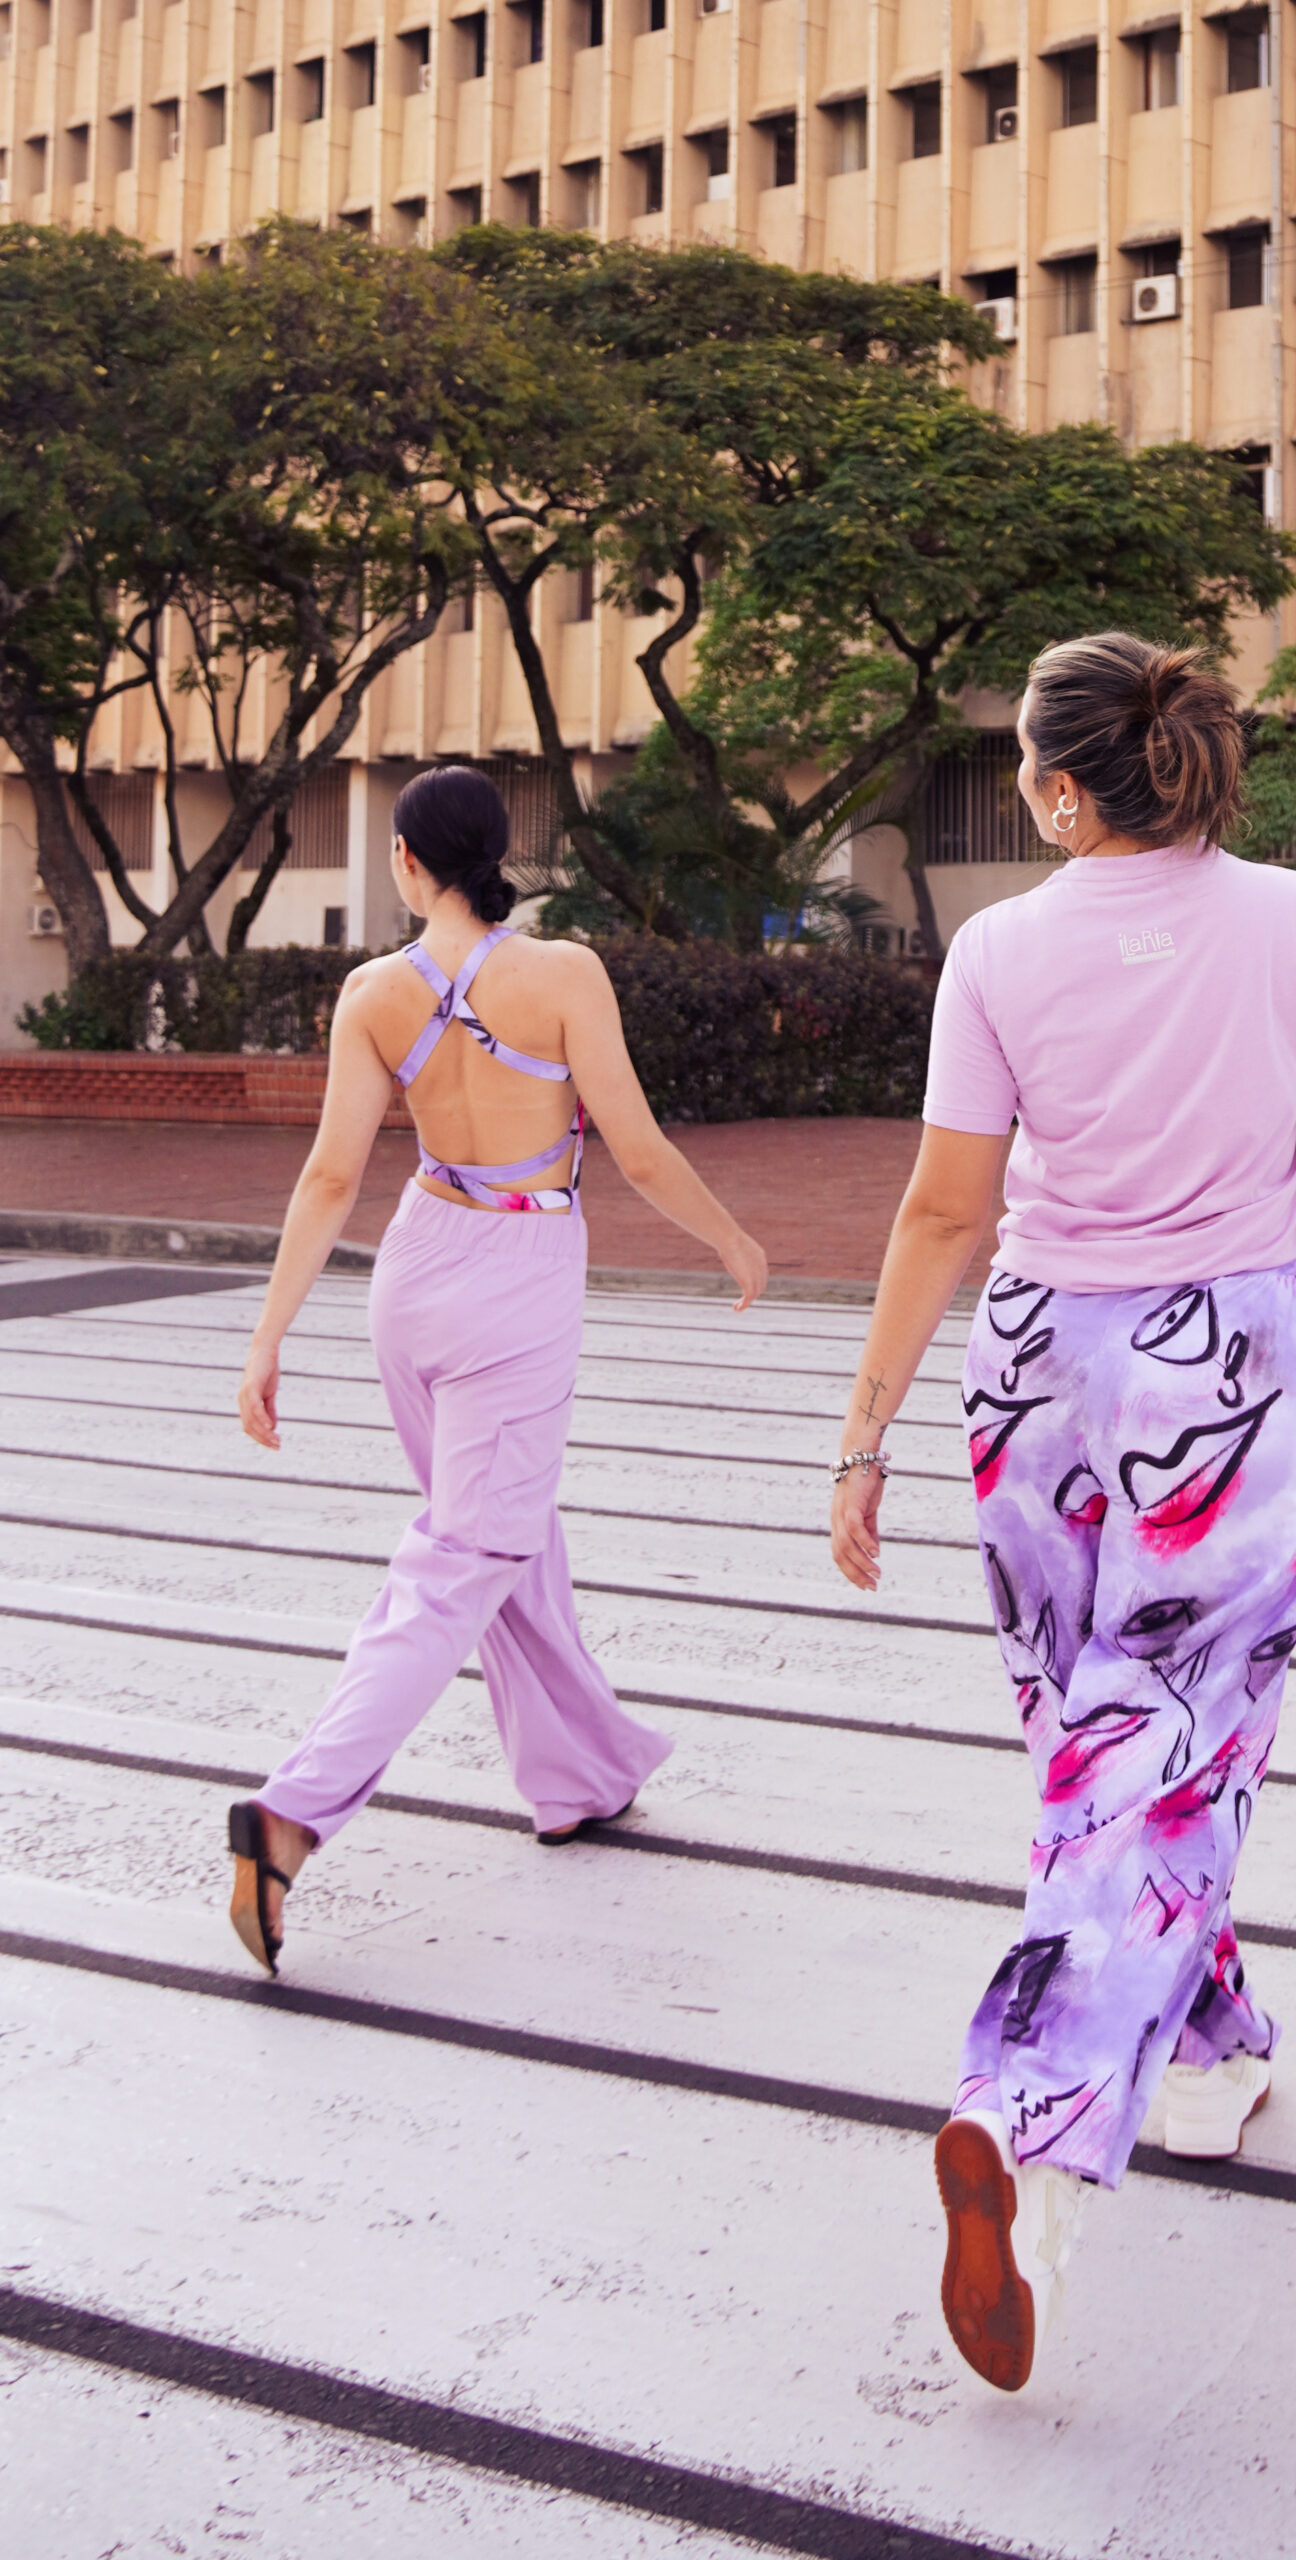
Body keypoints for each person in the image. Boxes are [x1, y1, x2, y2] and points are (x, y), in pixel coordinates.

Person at [828, 634, 1296, 2393]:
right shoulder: (1295, 919)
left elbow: (942, 1212)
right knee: (1161, 1750)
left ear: (1057, 789)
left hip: (1032, 1371)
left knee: (1099, 1747)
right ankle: (1025, 2110)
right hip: (1219, 1373)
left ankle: (1215, 2048)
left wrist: (858, 1439)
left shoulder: (997, 950)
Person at [227, 765, 767, 1976]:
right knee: (467, 1552)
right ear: (496, 853)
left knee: (506, 1536)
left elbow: (330, 1177)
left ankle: (575, 1775)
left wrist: (267, 1338)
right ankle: (293, 1812)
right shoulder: (564, 973)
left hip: (414, 1269)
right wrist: (730, 1238)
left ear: (409, 862)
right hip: (518, 1274)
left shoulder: (371, 993)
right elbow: (636, 1148)